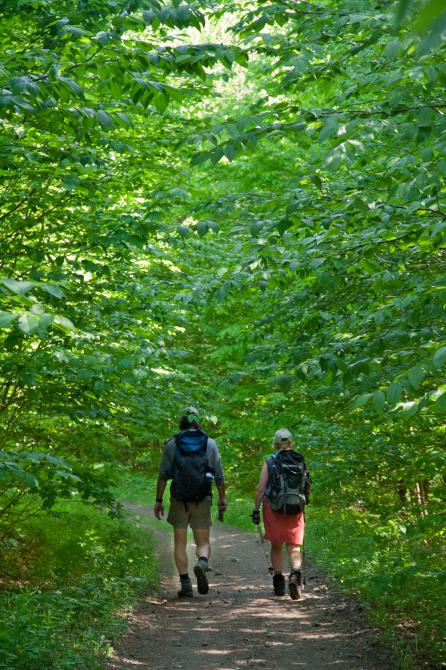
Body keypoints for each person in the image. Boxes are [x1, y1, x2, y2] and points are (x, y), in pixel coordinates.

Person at [154, 407, 227, 598]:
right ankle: (202, 562)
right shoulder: (210, 443)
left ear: (182, 422)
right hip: (202, 497)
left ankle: (185, 584)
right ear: (197, 421)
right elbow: (218, 474)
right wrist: (222, 497)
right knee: (202, 541)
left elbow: (163, 475)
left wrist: (158, 500)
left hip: (179, 499)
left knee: (179, 543)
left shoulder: (172, 444)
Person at [251, 428, 311, 599]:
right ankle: (296, 576)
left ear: (276, 444)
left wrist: (256, 509)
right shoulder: (300, 461)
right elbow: (307, 486)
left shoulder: (270, 462)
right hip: (296, 508)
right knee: (294, 546)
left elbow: (261, 489)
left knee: (276, 546)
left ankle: (279, 582)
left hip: (274, 508)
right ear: (291, 443)